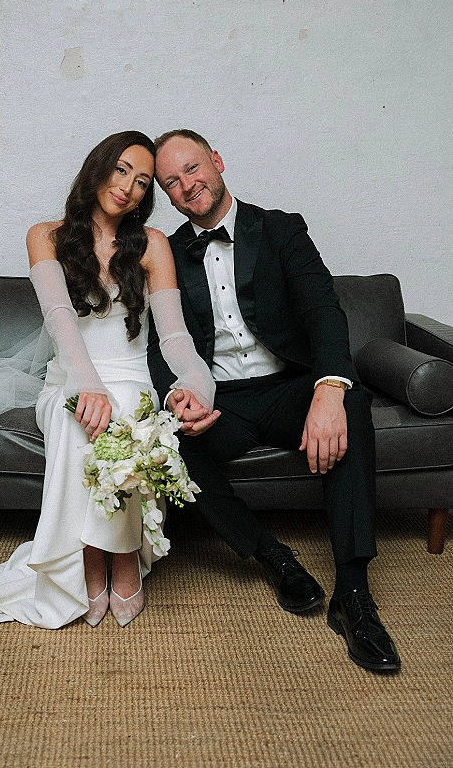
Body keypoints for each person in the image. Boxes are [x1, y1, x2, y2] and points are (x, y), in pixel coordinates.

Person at [0, 131, 217, 629]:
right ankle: (92, 559)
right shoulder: (44, 236)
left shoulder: (152, 245)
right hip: (69, 377)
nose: (129, 186)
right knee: (78, 422)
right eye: (121, 170)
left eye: (143, 181)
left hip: (132, 379)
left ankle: (125, 555)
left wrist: (199, 387)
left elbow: (175, 339)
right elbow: (60, 320)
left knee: (133, 417)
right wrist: (86, 387)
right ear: (98, 168)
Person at [147, 129, 400, 672]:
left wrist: (330, 387)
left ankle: (353, 594)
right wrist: (180, 397)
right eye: (172, 181)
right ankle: (271, 555)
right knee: (165, 442)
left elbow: (323, 312)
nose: (187, 185)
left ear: (216, 161)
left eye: (192, 168)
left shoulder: (282, 229)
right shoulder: (165, 253)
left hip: (289, 387)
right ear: (167, 196)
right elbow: (161, 345)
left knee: (353, 404)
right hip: (222, 399)